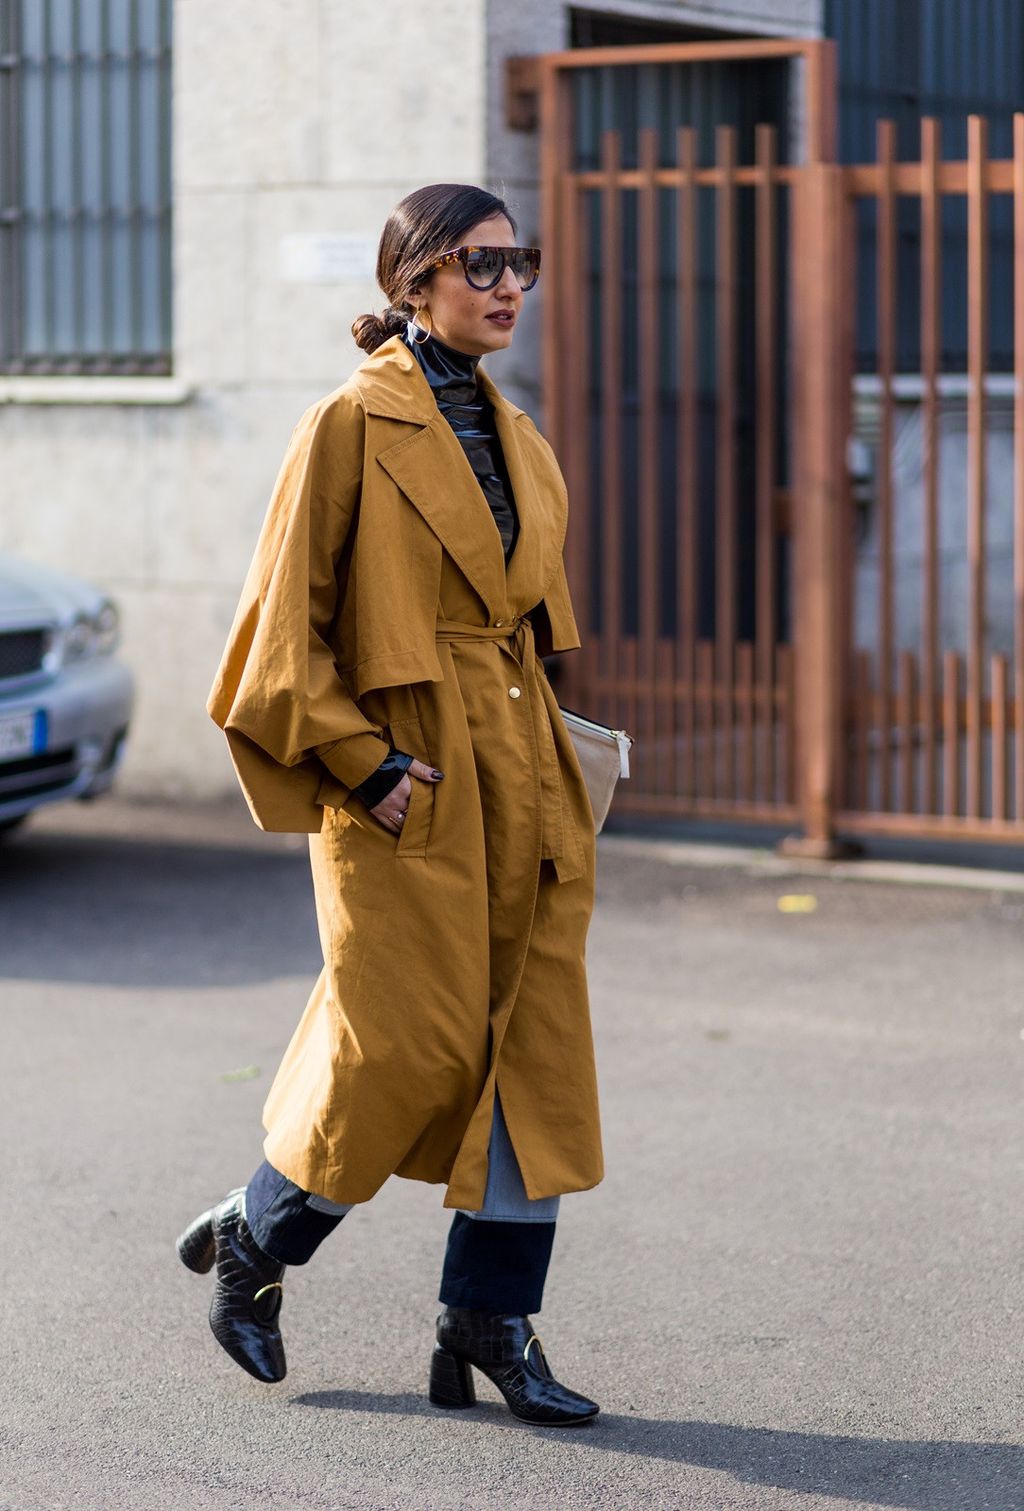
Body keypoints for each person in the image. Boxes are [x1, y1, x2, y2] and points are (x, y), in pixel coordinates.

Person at [177, 183, 603, 1427]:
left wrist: (561, 758)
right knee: (398, 1042)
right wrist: (364, 764)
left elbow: (532, 628)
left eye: (518, 260)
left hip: (519, 770)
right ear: (411, 280)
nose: (507, 283)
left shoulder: (521, 437)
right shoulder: (348, 425)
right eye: (479, 264)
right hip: (403, 777)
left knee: (534, 1050)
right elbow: (275, 633)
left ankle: (489, 1318)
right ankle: (256, 1244)